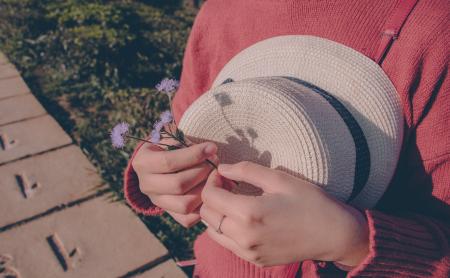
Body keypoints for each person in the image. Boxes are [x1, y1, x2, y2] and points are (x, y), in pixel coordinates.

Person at [124, 0, 449, 277]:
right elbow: (185, 129)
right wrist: (164, 170)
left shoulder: (433, 34)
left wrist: (353, 242)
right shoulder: (222, 11)